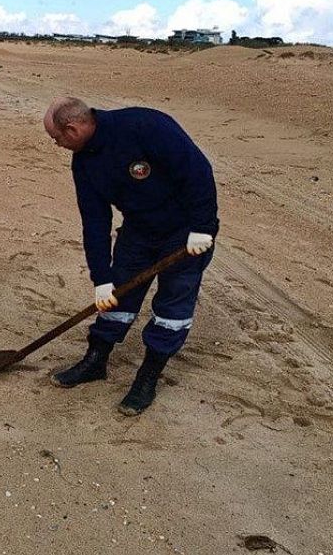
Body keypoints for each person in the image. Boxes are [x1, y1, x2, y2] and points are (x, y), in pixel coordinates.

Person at [43, 97, 218, 415]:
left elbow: (197, 173)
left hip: (185, 233)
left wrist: (203, 229)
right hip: (139, 232)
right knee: (116, 298)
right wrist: (101, 278)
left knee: (172, 308)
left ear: (72, 128)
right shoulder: (84, 162)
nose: (57, 144)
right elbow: (94, 221)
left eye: (57, 138)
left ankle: (147, 377)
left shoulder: (145, 126)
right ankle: (95, 361)